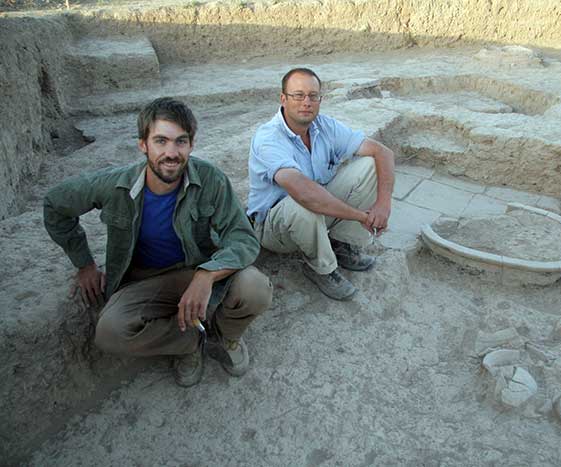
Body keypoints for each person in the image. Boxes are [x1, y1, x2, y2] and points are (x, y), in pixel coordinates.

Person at [44, 97, 272, 387]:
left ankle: (224, 336)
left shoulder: (210, 179)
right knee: (110, 332)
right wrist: (84, 264)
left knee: (256, 288)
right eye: (161, 141)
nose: (171, 153)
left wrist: (206, 275)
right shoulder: (115, 185)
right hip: (142, 281)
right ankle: (190, 342)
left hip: (195, 268)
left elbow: (242, 237)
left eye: (181, 142)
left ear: (191, 145)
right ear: (143, 144)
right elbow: (55, 205)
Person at [248, 68, 395, 301]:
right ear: (283, 99)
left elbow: (382, 152)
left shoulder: (324, 126)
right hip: (274, 227)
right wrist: (361, 216)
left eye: (313, 96)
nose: (307, 102)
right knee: (303, 203)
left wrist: (383, 205)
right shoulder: (269, 138)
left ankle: (341, 242)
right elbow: (304, 193)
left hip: (315, 209)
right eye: (298, 95)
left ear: (320, 99)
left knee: (369, 164)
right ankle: (321, 267)